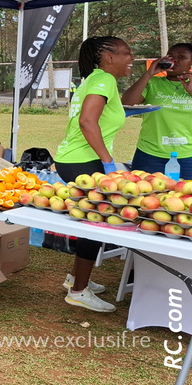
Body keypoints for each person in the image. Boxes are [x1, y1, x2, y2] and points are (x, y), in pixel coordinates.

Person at [54, 36, 134, 313]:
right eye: (126, 53)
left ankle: (76, 279)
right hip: (83, 161)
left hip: (71, 159)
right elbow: (87, 121)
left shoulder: (92, 79)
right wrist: (109, 162)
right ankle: (78, 291)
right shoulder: (104, 80)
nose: (131, 58)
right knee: (96, 223)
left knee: (91, 218)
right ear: (109, 57)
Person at [122, 42, 192, 179]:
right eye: (171, 56)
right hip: (150, 155)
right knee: (144, 198)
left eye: (182, 57)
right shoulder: (152, 83)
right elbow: (126, 103)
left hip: (188, 156)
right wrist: (148, 74)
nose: (175, 60)